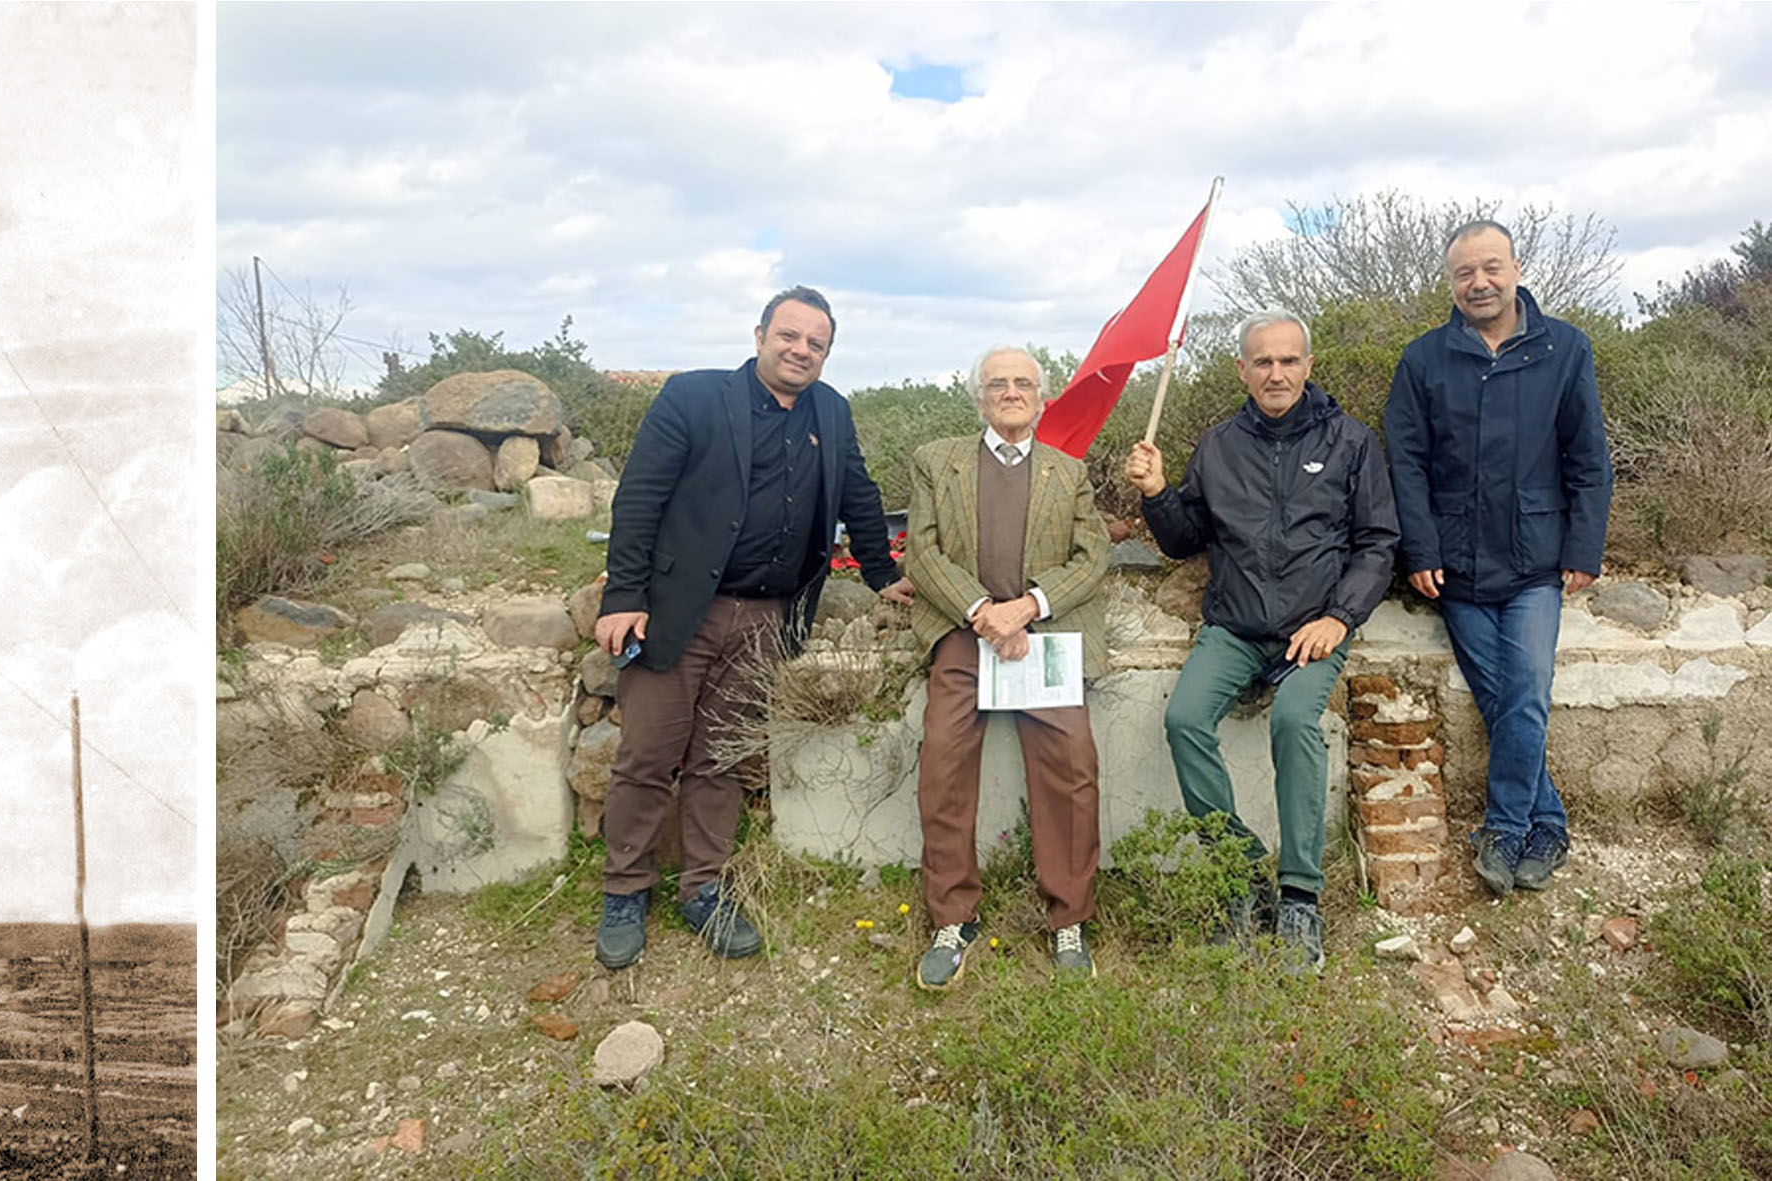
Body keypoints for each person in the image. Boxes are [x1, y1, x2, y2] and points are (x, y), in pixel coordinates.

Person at [593, 285, 915, 970]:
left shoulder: (832, 409)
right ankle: (625, 889)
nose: (800, 350)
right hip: (681, 608)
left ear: (828, 353)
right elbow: (640, 495)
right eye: (789, 335)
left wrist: (883, 575)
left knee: (723, 757)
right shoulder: (694, 397)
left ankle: (704, 887)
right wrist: (623, 595)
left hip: (769, 617)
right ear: (760, 333)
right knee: (648, 755)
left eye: (816, 343)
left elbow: (858, 492)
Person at [1126, 311, 1399, 975]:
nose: (1276, 373)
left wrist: (1340, 616)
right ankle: (1239, 876)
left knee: (1293, 721)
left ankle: (1300, 894)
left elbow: (1379, 542)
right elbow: (1186, 538)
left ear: (1308, 366)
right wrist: (1159, 492)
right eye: (1262, 362)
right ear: (1242, 370)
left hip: (1314, 627)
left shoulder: (1351, 442)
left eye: (1288, 361)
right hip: (1236, 626)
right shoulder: (1218, 445)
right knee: (1184, 717)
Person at [1384, 220, 1612, 896]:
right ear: (1450, 281)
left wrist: (1583, 548)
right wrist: (1419, 548)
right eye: (1464, 272)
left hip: (1537, 564)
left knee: (1526, 691)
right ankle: (1551, 822)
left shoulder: (1564, 348)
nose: (1478, 282)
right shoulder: (1423, 359)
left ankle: (1508, 826)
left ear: (1515, 267)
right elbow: (1407, 463)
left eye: (1490, 267)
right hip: (1453, 567)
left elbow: (1588, 458)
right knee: (1503, 696)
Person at [903, 347, 1111, 986]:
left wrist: (1027, 607)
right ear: (980, 398)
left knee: (1072, 766)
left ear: (1042, 396)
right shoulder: (937, 462)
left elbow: (1093, 554)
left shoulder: (1068, 472)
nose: (1011, 391)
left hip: (1041, 636)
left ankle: (1068, 917)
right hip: (965, 636)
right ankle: (953, 915)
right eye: (999, 383)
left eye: (1024, 382)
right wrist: (982, 612)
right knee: (942, 759)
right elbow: (923, 549)